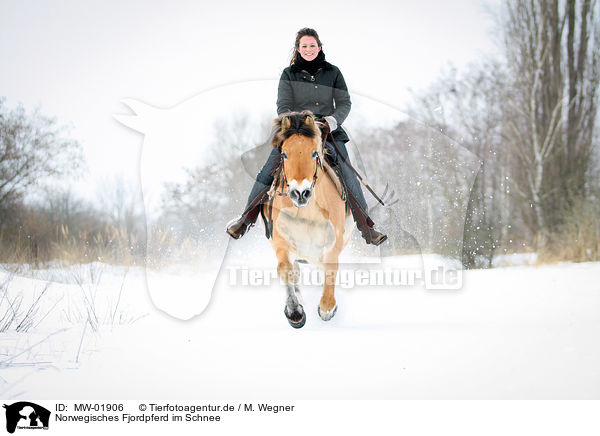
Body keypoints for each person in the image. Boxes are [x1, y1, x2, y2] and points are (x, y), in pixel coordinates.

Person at [226, 27, 387, 246]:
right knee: (268, 170)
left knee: (348, 174)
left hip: (329, 132)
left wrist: (332, 120)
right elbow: (283, 106)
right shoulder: (288, 74)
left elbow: (344, 103)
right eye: (304, 46)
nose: (309, 49)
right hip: (295, 131)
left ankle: (367, 228)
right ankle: (246, 219)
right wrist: (298, 124)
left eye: (312, 45)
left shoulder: (333, 72)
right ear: (298, 49)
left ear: (319, 47)